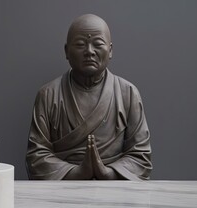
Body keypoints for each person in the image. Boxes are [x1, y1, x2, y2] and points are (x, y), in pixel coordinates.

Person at [26, 14, 152, 180]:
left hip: (115, 193)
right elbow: (36, 156)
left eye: (98, 44)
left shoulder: (127, 93)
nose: (89, 51)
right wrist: (76, 172)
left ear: (110, 50)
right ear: (66, 51)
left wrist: (108, 173)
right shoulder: (48, 94)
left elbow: (141, 156)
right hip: (63, 193)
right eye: (80, 44)